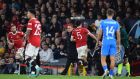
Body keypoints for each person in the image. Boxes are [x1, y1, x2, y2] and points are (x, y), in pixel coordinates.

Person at [97, 9, 121, 79]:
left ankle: (106, 70)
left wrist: (97, 41)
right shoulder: (116, 23)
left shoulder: (103, 22)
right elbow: (118, 35)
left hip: (105, 41)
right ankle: (111, 74)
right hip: (113, 41)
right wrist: (118, 45)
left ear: (106, 14)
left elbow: (100, 33)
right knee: (113, 59)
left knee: (103, 59)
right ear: (113, 15)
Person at [24, 9, 42, 76]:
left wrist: (25, 39)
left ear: (31, 14)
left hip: (32, 41)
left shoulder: (31, 21)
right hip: (38, 41)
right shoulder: (38, 22)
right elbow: (40, 33)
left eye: (28, 13)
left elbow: (28, 32)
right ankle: (33, 73)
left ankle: (38, 67)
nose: (27, 14)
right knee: (33, 58)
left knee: (27, 57)